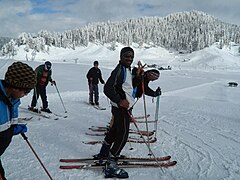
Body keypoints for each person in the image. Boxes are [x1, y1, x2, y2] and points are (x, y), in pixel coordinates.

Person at [94, 47, 143, 178]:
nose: (129, 59)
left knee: (115, 131)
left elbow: (129, 86)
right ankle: (110, 164)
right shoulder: (119, 70)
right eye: (127, 56)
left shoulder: (126, 69)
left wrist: (138, 76)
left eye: (131, 56)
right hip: (120, 108)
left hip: (122, 107)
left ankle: (104, 152)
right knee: (123, 134)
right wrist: (120, 101)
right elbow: (107, 88)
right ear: (121, 57)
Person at [0, 62, 36, 180]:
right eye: (26, 91)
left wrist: (11, 128)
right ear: (15, 86)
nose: (26, 95)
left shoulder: (12, 100)